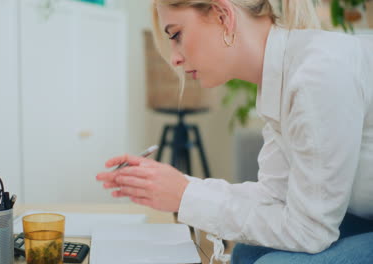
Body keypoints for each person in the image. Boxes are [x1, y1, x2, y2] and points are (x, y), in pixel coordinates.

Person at [96, 0, 373, 263]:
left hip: (348, 219)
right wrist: (180, 187)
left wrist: (185, 195)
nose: (174, 59)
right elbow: (274, 196)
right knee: (246, 253)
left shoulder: (317, 75)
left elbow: (311, 232)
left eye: (177, 34)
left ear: (223, 16)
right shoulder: (282, 75)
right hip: (359, 214)